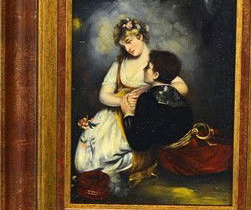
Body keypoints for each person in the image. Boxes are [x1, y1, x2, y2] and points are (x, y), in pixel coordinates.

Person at [74, 18, 188, 188]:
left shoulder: (155, 62)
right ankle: (97, 176)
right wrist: (123, 100)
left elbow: (182, 87)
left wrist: (151, 89)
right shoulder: (119, 64)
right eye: (124, 45)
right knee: (82, 160)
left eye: (129, 41)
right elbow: (104, 95)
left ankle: (105, 176)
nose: (127, 48)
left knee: (105, 154)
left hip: (137, 120)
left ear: (140, 36)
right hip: (112, 115)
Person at [120, 50, 194, 151]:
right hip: (185, 146)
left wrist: (128, 114)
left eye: (147, 67)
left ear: (155, 75)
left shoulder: (147, 99)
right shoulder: (175, 93)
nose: (144, 69)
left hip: (169, 153)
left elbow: (140, 145)